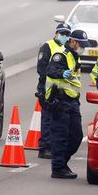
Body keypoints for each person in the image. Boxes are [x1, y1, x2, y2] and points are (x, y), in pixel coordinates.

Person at [44, 29, 90, 179]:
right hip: (60, 101)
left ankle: (62, 163)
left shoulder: (75, 56)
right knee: (60, 137)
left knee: (76, 136)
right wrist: (61, 73)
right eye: (81, 44)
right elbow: (50, 70)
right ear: (73, 42)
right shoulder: (61, 55)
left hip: (72, 101)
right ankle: (58, 168)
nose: (83, 47)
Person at [35, 23, 72, 159]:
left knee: (61, 118)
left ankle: (56, 146)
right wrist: (55, 78)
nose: (65, 37)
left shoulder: (68, 49)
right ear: (56, 33)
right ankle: (45, 147)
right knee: (48, 118)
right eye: (62, 34)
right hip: (48, 87)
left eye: (67, 34)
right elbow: (42, 68)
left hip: (63, 88)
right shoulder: (48, 46)